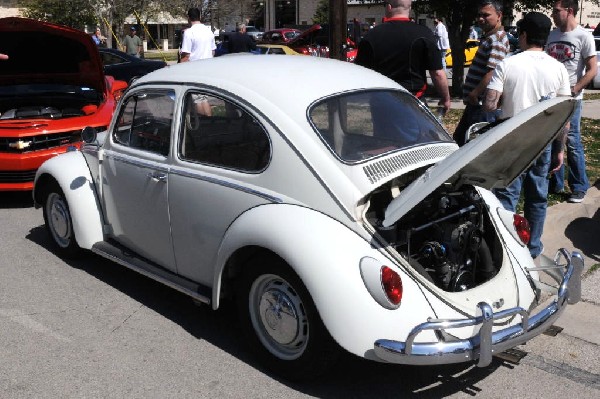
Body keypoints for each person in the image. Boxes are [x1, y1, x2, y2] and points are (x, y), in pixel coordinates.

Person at [483, 12, 571, 259]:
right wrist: (560, 149)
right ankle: (533, 246)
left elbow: (490, 104)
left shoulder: (508, 64)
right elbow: (563, 117)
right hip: (542, 140)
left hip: (512, 138)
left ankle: (509, 249)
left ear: (523, 35)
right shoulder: (559, 68)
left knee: (507, 196)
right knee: (537, 196)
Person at [355, 0, 450, 114]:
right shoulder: (424, 34)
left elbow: (360, 72)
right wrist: (446, 98)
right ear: (409, 8)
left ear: (389, 7)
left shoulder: (371, 36)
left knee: (384, 132)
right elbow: (438, 73)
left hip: (381, 102)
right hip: (413, 100)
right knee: (413, 132)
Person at [545, 0, 597, 203]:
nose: (553, 15)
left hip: (572, 99)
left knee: (572, 142)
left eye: (556, 11)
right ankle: (555, 182)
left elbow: (592, 69)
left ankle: (579, 186)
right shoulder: (552, 34)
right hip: (551, 98)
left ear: (570, 11)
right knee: (552, 140)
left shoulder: (584, 36)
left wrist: (574, 90)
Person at [453, 0, 510, 146]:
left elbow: (493, 72)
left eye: (486, 15)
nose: (480, 19)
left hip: (482, 104)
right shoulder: (489, 37)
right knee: (461, 138)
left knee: (474, 143)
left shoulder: (496, 40)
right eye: (479, 15)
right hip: (476, 103)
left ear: (499, 16)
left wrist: (475, 93)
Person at [180, 8, 217, 116]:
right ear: (200, 16)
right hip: (207, 69)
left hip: (194, 70)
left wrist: (178, 67)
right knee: (204, 98)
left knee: (198, 100)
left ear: (188, 18)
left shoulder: (189, 32)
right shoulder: (208, 31)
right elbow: (213, 51)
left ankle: (202, 123)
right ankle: (208, 122)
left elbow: (186, 56)